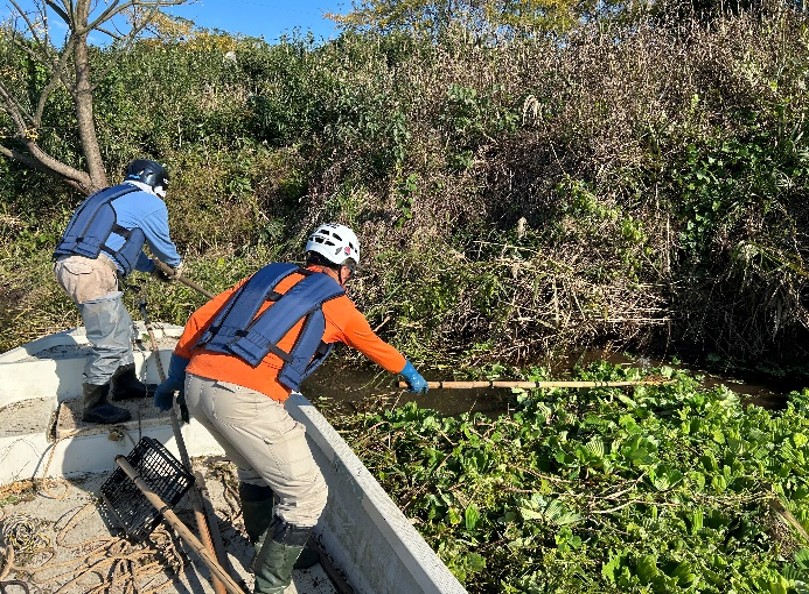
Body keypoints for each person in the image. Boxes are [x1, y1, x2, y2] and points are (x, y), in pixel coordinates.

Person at [152, 222, 428, 594]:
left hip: (197, 385)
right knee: (307, 494)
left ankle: (261, 550)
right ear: (343, 268)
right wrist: (409, 372)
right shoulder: (339, 306)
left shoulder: (266, 277)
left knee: (253, 472)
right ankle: (271, 586)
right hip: (242, 399)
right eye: (350, 271)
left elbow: (199, 320)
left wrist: (174, 378)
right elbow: (375, 346)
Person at [53, 159, 183, 425]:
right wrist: (175, 266)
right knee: (109, 340)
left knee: (122, 327)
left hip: (79, 265)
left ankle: (125, 384)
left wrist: (152, 269)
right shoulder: (150, 202)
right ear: (158, 185)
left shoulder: (110, 196)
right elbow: (162, 243)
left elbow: (120, 245)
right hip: (91, 270)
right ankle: (95, 406)